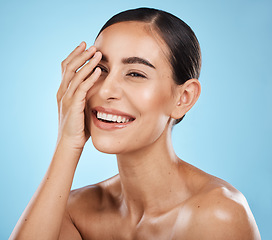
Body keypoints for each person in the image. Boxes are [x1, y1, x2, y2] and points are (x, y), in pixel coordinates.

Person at [9, 7, 261, 240]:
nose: (106, 90)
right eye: (101, 69)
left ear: (183, 98)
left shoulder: (218, 214)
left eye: (135, 74)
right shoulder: (72, 211)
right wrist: (67, 142)